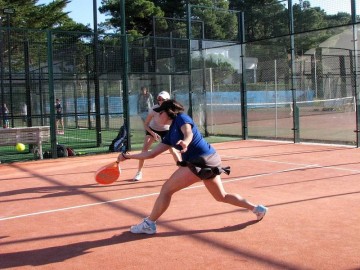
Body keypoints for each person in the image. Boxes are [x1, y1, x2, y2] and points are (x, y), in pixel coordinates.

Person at [117, 99, 268, 234]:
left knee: (166, 190)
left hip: (200, 161)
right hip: (211, 160)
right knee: (221, 196)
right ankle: (256, 209)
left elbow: (188, 132)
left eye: (160, 112)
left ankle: (149, 224)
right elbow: (151, 154)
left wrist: (186, 142)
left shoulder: (182, 118)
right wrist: (127, 156)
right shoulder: (169, 135)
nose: (157, 116)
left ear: (168, 112)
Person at [133, 91, 181, 181]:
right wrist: (153, 133)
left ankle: (181, 170)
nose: (160, 101)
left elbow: (176, 123)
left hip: (166, 130)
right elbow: (146, 124)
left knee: (173, 151)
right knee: (144, 150)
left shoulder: (172, 110)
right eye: (159, 99)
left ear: (168, 100)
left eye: (162, 99)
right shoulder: (154, 109)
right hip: (152, 129)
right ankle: (139, 172)